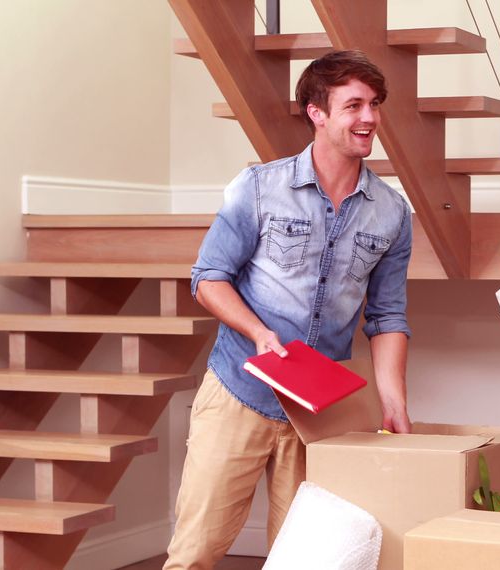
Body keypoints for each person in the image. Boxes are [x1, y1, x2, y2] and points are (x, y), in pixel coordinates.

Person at [164, 50, 413, 569]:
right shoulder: (259, 188)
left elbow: (387, 316)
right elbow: (207, 279)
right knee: (197, 552)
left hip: (320, 416)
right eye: (353, 106)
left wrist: (393, 400)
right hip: (240, 391)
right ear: (316, 113)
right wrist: (258, 332)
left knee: (306, 560)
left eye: (373, 105)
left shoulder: (393, 213)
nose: (368, 118)